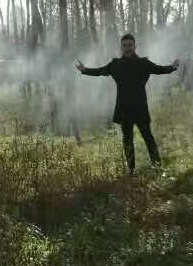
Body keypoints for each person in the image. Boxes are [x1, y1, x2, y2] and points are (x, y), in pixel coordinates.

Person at [76, 34, 179, 172]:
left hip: (140, 107)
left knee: (148, 137)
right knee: (127, 140)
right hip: (124, 108)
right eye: (124, 45)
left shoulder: (143, 63)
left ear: (135, 47)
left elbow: (159, 69)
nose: (127, 48)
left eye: (130, 45)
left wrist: (172, 67)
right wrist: (85, 70)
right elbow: (100, 71)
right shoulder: (115, 65)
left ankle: (157, 166)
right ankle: (131, 170)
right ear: (121, 48)